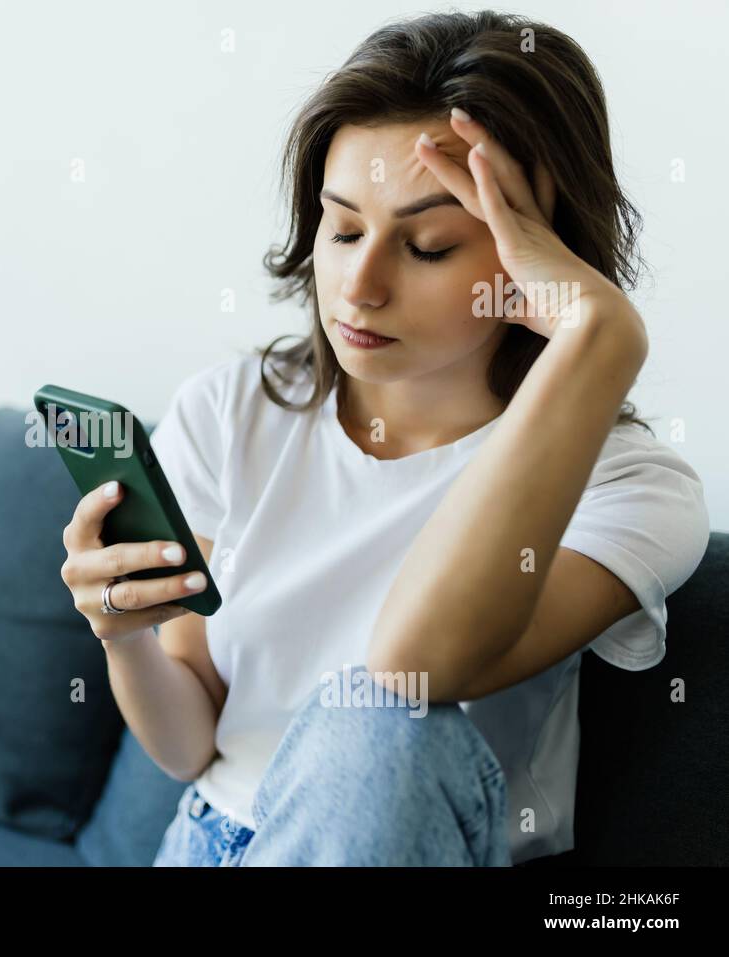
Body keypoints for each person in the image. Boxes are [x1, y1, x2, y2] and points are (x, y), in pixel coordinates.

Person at [56, 10, 711, 866]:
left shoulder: (634, 491)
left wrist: (599, 336)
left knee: (380, 717)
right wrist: (121, 633)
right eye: (344, 229)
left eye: (430, 246)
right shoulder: (232, 411)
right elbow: (191, 748)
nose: (359, 288)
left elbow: (413, 667)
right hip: (213, 841)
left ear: (542, 254)